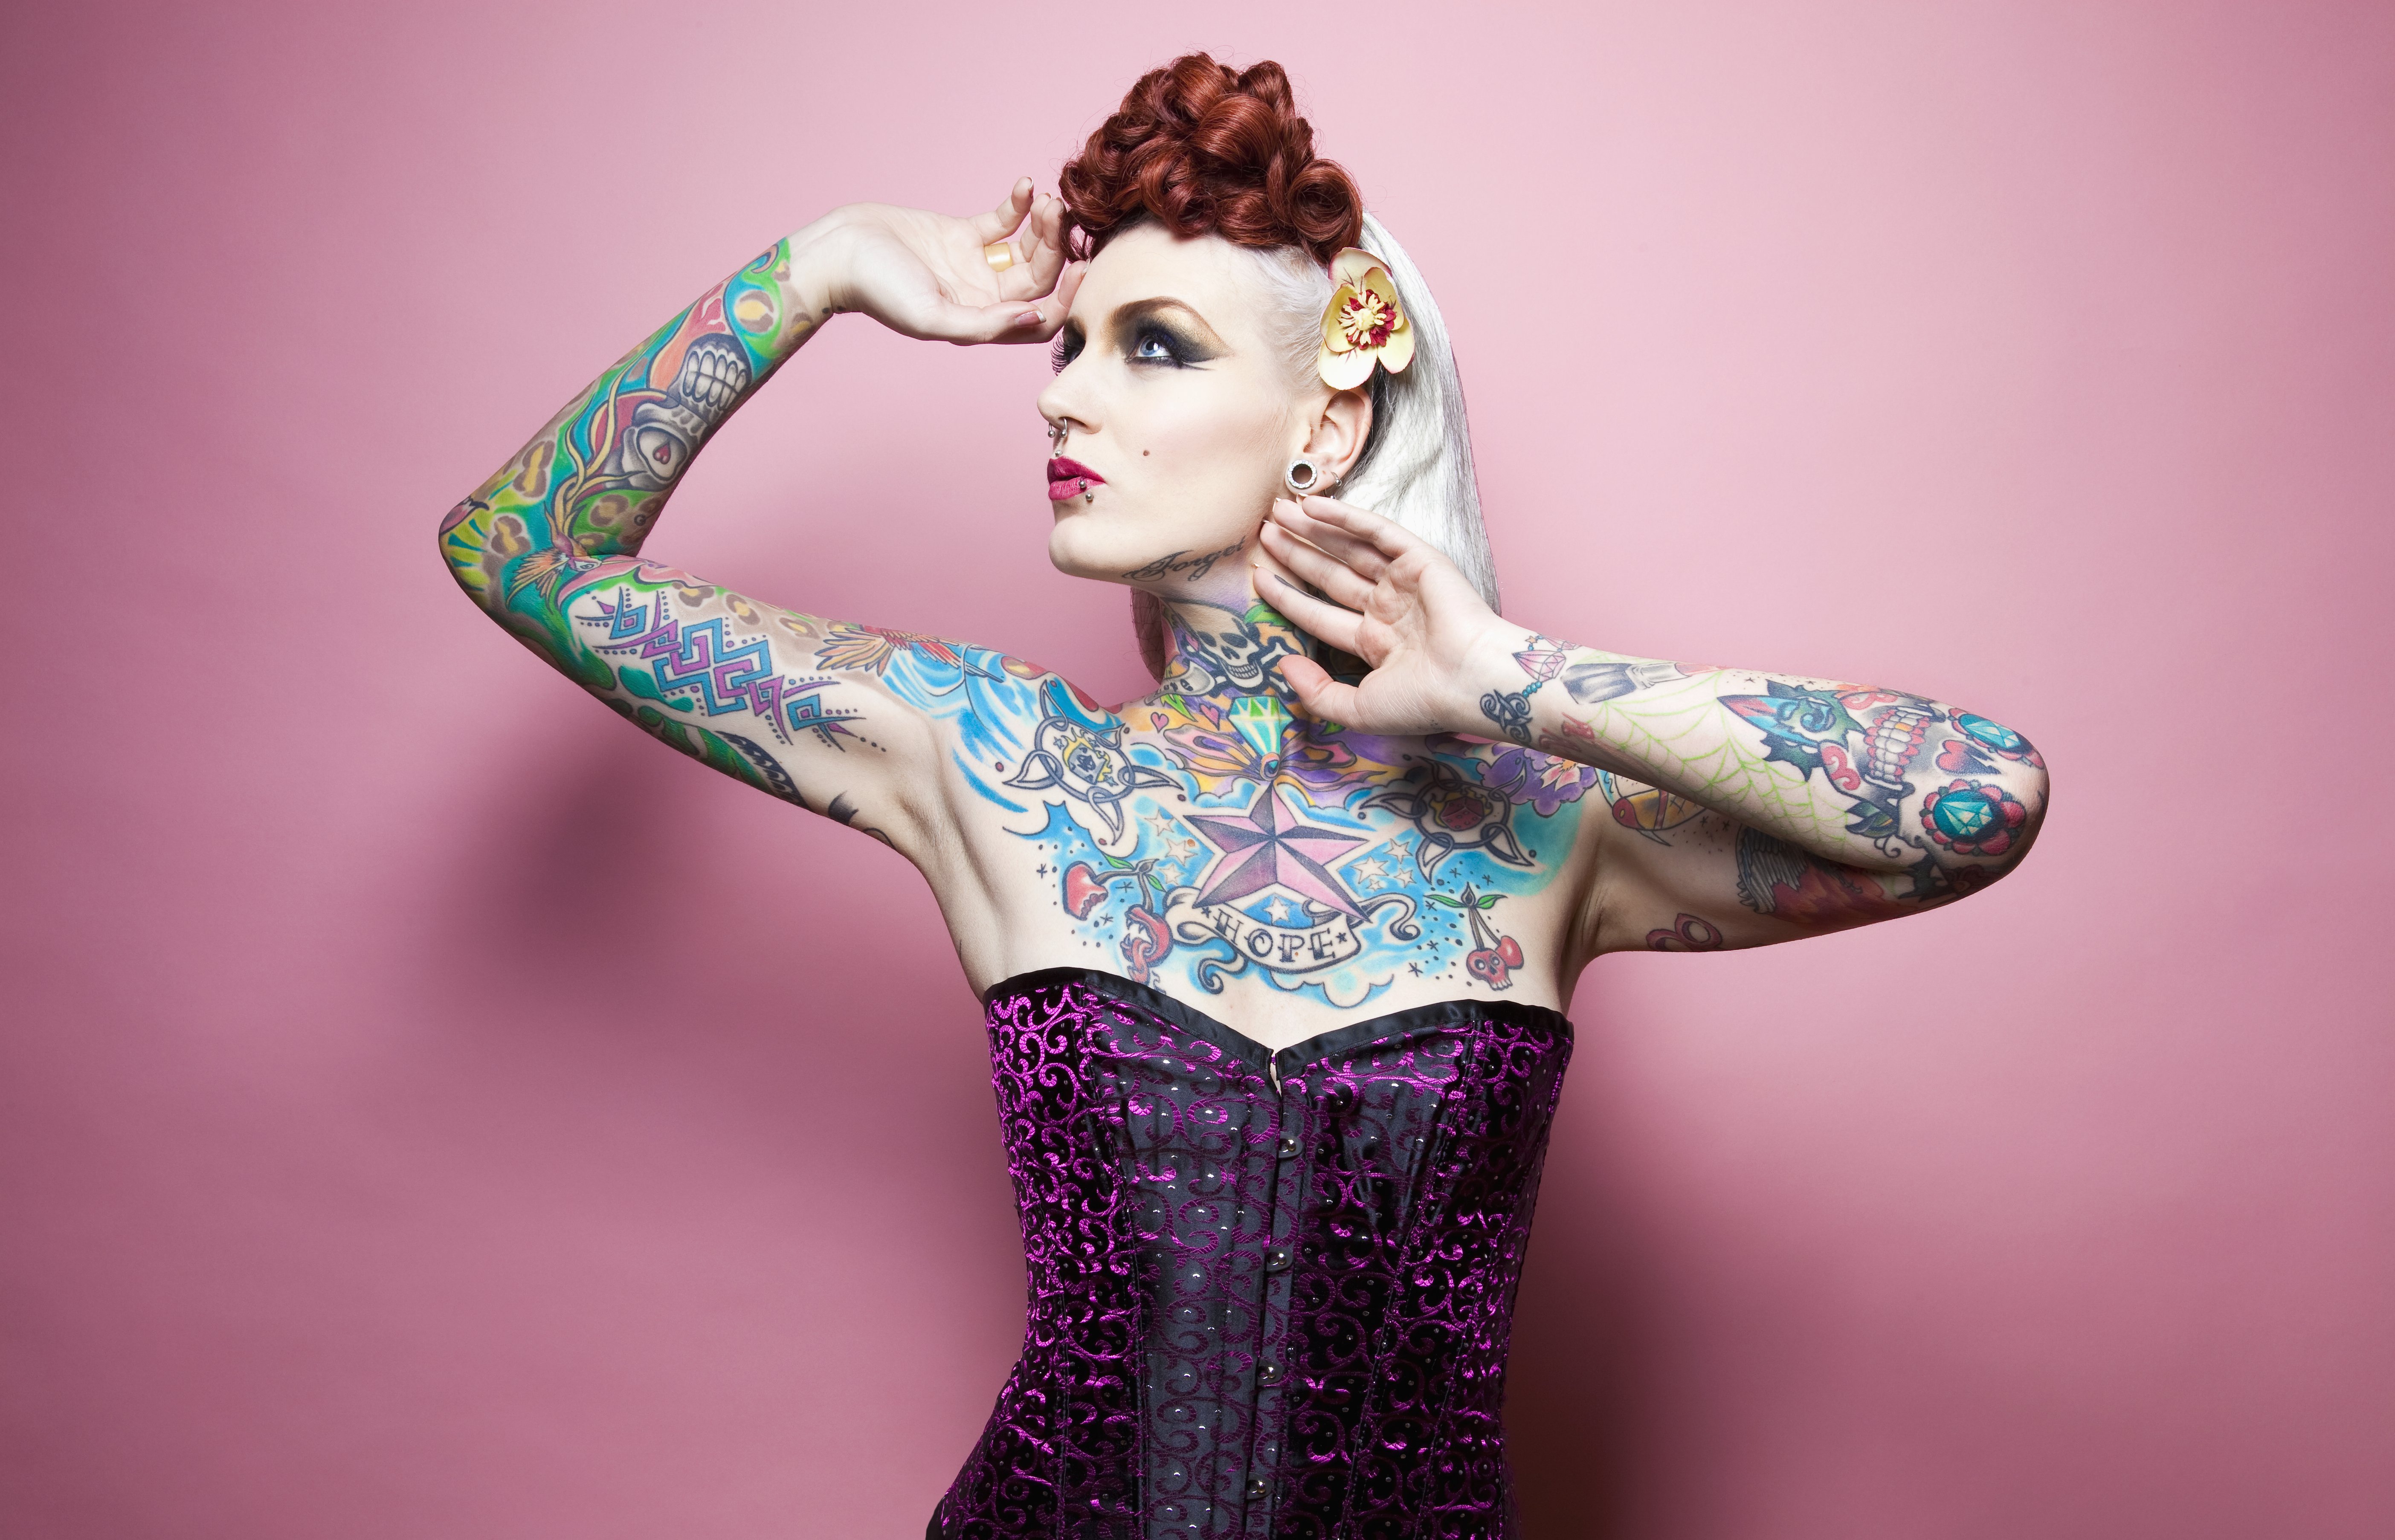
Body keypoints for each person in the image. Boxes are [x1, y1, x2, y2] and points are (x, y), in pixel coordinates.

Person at [439, 52, 2047, 1540]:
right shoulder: (987, 758)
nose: (1065, 395)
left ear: (1328, 417)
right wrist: (827, 266)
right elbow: (520, 549)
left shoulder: (1550, 830)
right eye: (1071, 343)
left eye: (1154, 348)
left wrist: (1509, 682)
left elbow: (1982, 796)